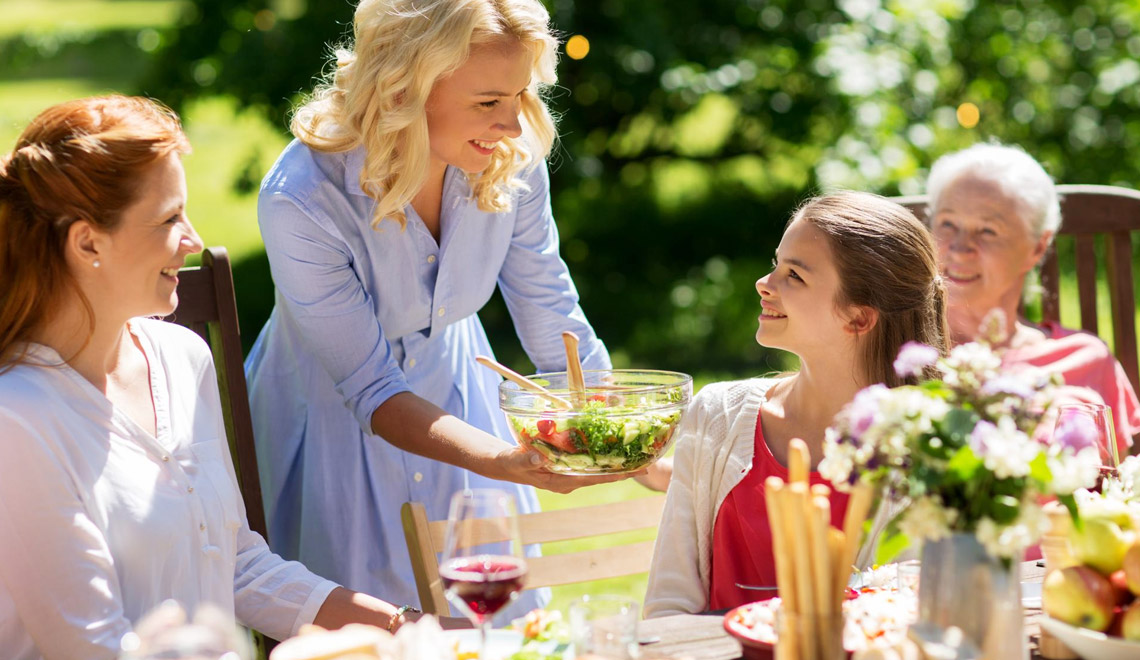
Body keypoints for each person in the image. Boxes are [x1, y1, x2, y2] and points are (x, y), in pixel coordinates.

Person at [0, 95, 443, 660]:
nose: (192, 238)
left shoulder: (182, 358)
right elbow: (95, 649)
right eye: (168, 218)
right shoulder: (17, 421)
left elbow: (237, 567)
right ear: (88, 241)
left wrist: (405, 628)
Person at [244, 0, 646, 619]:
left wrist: (619, 435)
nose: (513, 125)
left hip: (458, 388)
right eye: (488, 102)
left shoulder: (510, 158)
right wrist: (504, 460)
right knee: (367, 634)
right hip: (328, 417)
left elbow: (547, 301)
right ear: (403, 88)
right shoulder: (302, 196)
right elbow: (373, 389)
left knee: (487, 620)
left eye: (519, 96)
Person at [643, 191, 948, 617]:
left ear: (858, 317)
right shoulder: (716, 415)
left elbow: (898, 624)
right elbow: (667, 606)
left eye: (795, 276)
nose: (764, 284)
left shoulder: (923, 453)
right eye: (776, 265)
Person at [926, 143, 1140, 455]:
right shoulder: (896, 350)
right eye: (947, 223)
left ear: (1037, 248)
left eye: (987, 230)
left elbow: (1118, 487)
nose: (959, 248)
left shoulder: (1084, 358)